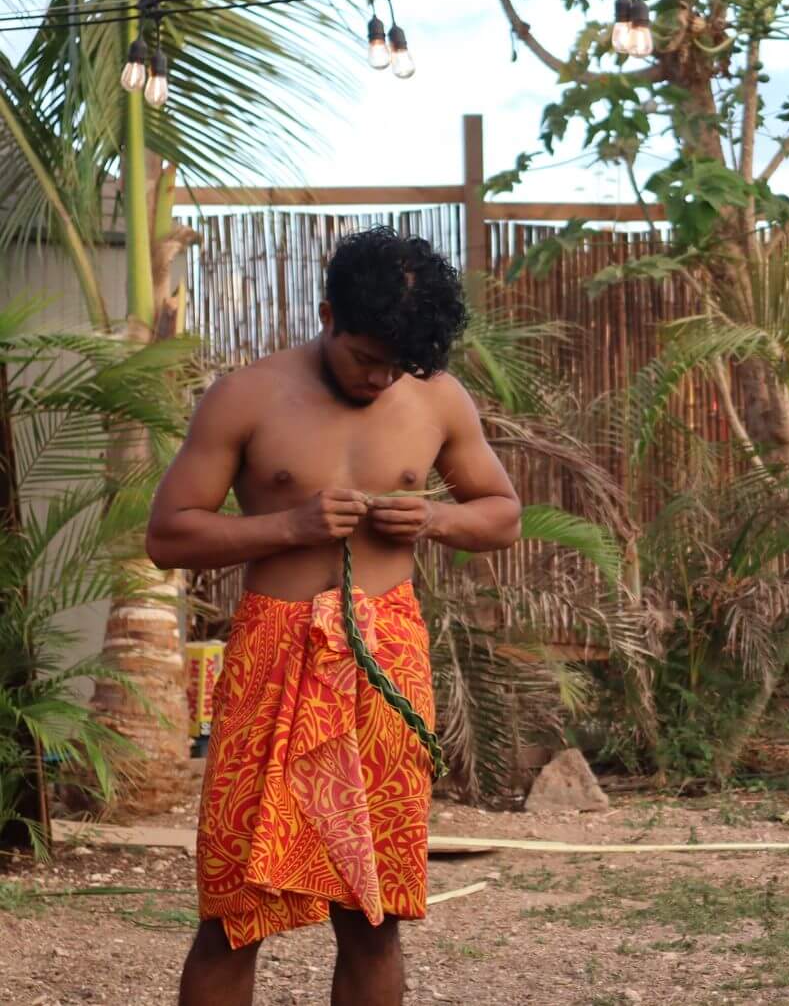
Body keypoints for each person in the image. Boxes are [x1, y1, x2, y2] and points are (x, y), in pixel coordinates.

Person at [149, 226, 521, 1006]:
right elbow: (169, 534)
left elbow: (501, 514)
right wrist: (290, 526)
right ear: (327, 315)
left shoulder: (438, 398)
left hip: (385, 662)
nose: (381, 377)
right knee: (232, 909)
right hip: (271, 657)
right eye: (366, 357)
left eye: (400, 364)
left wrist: (433, 521)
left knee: (372, 912)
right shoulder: (245, 395)